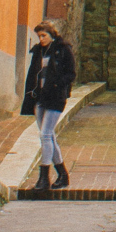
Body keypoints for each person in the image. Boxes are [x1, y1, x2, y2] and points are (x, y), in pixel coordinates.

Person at [21, 22, 74, 191]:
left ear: (52, 34)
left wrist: (58, 85)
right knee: (49, 136)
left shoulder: (63, 49)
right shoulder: (38, 51)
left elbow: (71, 73)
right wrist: (30, 94)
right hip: (40, 98)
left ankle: (44, 178)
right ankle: (63, 175)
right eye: (39, 36)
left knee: (45, 134)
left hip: (55, 98)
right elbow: (32, 74)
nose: (41, 39)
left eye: (44, 35)